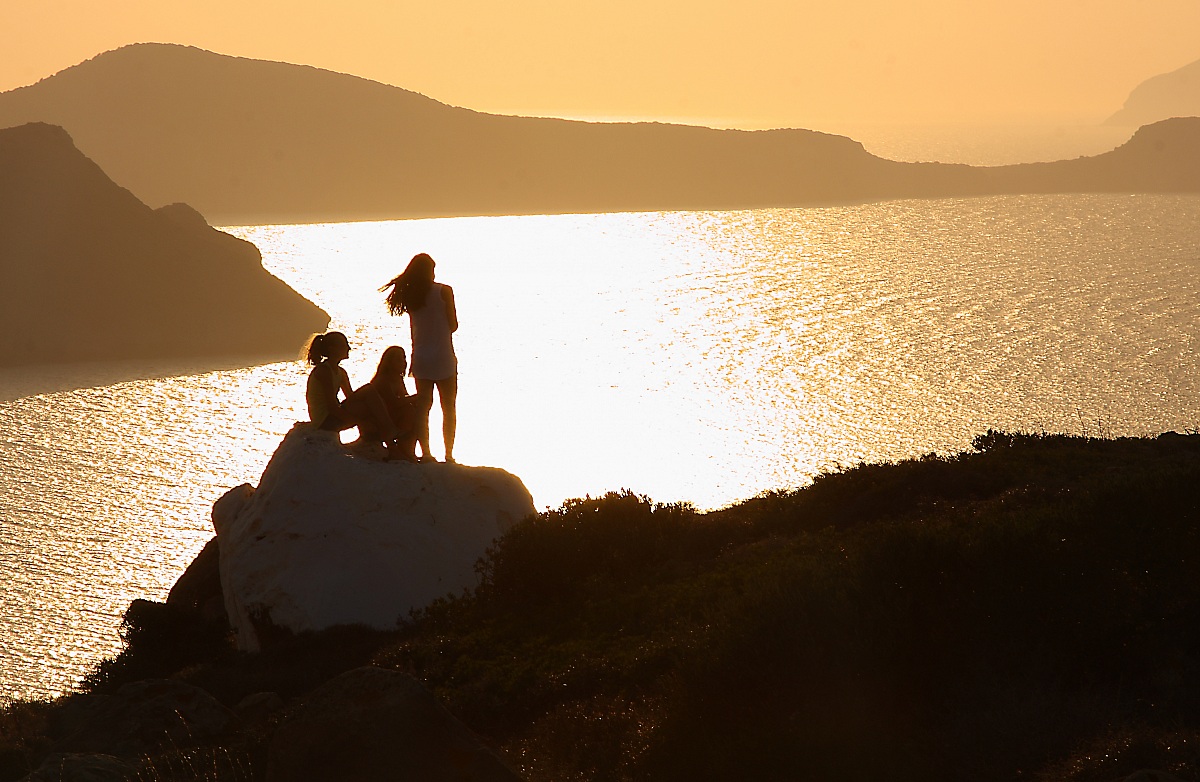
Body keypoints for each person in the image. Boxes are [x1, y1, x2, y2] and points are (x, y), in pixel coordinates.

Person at [380, 253, 458, 463]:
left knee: (423, 407)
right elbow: (453, 325)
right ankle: (448, 455)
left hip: (421, 358)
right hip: (443, 356)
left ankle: (426, 453)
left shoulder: (411, 295)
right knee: (448, 407)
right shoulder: (444, 291)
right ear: (429, 272)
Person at [340, 346, 418, 462]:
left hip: (390, 419)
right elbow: (394, 403)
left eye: (404, 358)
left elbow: (404, 399)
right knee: (410, 410)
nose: (403, 362)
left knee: (414, 410)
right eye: (398, 359)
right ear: (389, 362)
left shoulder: (398, 379)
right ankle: (400, 449)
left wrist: (415, 401)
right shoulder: (383, 380)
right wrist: (417, 397)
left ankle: (407, 449)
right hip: (376, 424)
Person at [304, 331, 353, 430]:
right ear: (332, 349)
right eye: (344, 345)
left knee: (368, 395)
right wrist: (354, 419)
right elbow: (332, 406)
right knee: (368, 392)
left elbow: (352, 398)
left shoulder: (341, 372)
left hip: (332, 416)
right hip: (323, 421)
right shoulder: (324, 371)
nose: (349, 348)